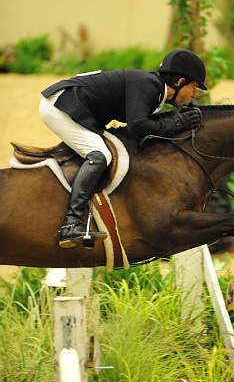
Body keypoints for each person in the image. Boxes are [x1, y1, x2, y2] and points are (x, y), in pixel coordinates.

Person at [39, 49, 206, 249]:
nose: (194, 94)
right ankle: (72, 223)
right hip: (60, 106)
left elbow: (145, 123)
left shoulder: (154, 89)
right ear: (179, 82)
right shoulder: (150, 85)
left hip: (71, 104)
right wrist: (176, 123)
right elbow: (139, 128)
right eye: (194, 86)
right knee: (100, 155)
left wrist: (175, 120)